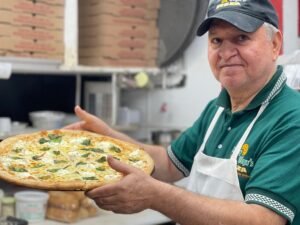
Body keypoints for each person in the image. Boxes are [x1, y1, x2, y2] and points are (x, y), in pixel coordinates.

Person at [65, 0, 300, 224]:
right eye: (217, 40)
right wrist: (109, 137)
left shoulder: (291, 118)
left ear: (275, 44)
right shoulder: (217, 109)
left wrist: (156, 196)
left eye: (241, 38)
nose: (226, 52)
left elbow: (263, 220)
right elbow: (168, 164)